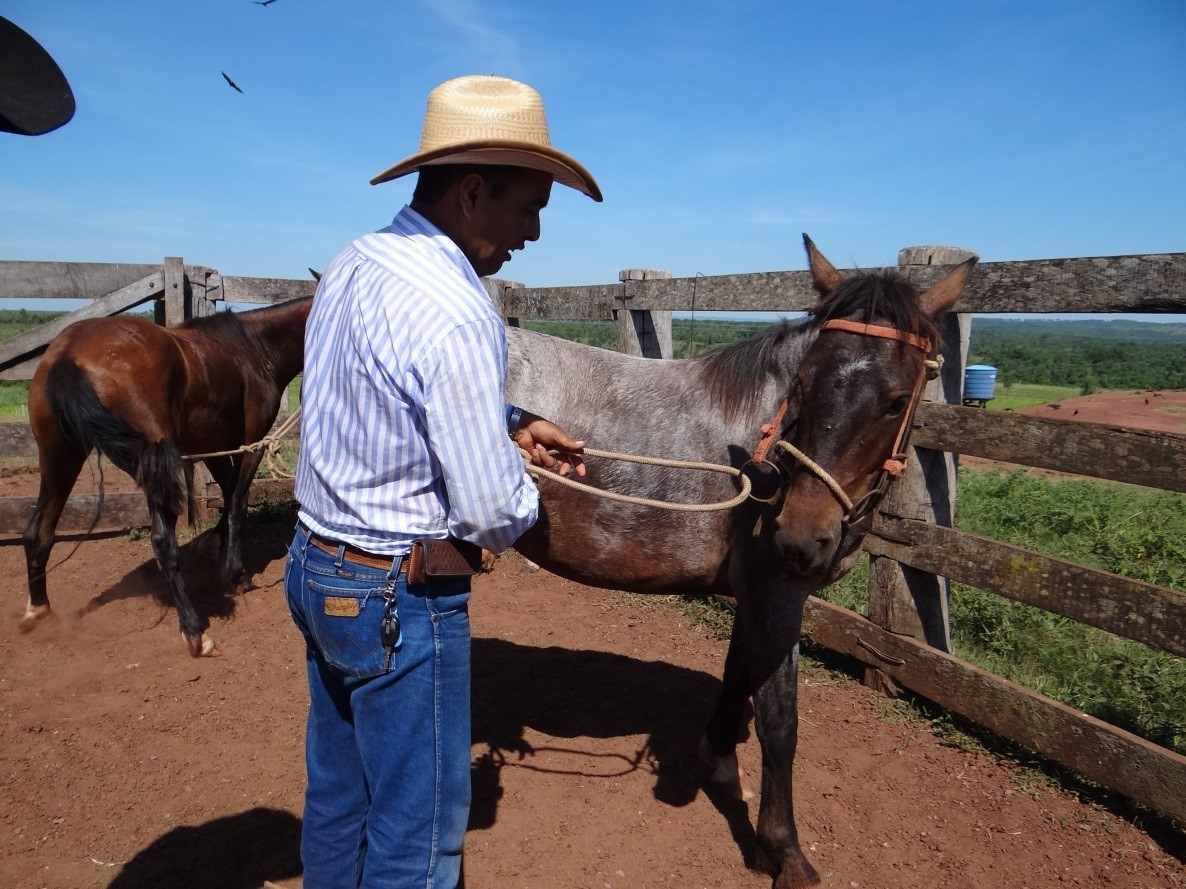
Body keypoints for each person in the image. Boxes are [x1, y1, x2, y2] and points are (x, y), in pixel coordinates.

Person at [285, 74, 600, 888]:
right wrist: (518, 474)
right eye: (528, 207)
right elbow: (492, 512)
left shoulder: (354, 262)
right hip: (400, 592)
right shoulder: (459, 311)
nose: (533, 232)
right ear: (471, 192)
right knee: (418, 841)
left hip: (316, 564)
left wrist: (504, 421)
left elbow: (387, 391)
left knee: (338, 796)